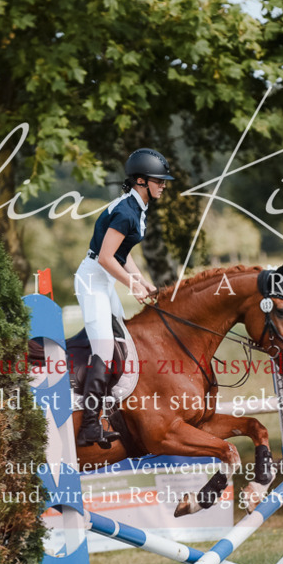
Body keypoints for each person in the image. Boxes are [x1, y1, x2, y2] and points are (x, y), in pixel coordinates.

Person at [74, 148, 173, 447]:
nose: (164, 185)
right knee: (105, 348)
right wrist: (132, 284)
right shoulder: (126, 212)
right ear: (141, 181)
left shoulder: (137, 208)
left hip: (105, 279)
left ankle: (111, 406)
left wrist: (144, 282)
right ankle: (89, 424)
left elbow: (122, 254)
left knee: (123, 339)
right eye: (159, 180)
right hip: (93, 279)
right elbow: (105, 258)